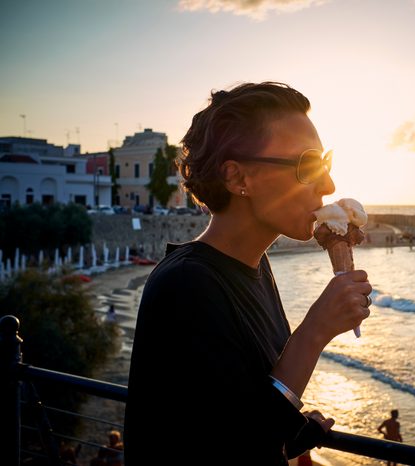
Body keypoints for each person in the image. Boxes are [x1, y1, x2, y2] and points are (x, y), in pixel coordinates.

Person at [124, 82, 372, 465]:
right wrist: (314, 332)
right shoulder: (187, 285)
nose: (329, 184)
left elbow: (231, 414)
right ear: (239, 179)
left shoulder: (255, 268)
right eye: (308, 165)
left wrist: (292, 437)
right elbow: (234, 450)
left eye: (327, 163)